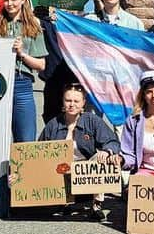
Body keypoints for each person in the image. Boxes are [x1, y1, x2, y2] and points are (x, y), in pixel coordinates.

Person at [38, 83, 122, 217]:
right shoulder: (53, 124)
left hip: (85, 169)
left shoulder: (92, 121)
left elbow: (112, 142)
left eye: (76, 101)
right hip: (62, 169)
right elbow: (38, 151)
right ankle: (63, 202)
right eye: (68, 100)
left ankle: (96, 205)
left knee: (103, 158)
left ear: (83, 103)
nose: (72, 104)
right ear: (63, 102)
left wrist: (106, 151)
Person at [0, 0, 47, 143]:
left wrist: (22, 54)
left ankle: (23, 169)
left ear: (23, 0)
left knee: (25, 139)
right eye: (6, 0)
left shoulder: (33, 26)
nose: (10, 4)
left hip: (22, 84)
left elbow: (41, 65)